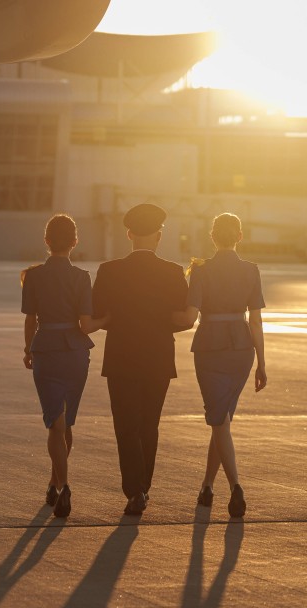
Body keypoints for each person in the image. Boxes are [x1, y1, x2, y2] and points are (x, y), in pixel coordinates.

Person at [92, 203, 190, 515]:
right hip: (158, 357)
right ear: (159, 236)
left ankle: (134, 490)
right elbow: (182, 318)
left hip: (121, 356)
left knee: (125, 425)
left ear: (130, 234)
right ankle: (143, 488)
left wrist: (115, 319)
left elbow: (98, 315)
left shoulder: (109, 270)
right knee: (150, 424)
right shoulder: (173, 272)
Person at [175, 212, 268, 517]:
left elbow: (190, 316)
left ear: (212, 237)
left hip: (211, 347)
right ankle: (206, 486)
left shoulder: (202, 270)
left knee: (219, 419)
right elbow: (255, 320)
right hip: (242, 349)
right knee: (222, 419)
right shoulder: (251, 270)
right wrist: (262, 363)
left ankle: (236, 487)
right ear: (240, 237)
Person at [21, 214, 103, 518]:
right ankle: (55, 484)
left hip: (47, 349)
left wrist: (28, 349)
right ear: (75, 242)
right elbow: (87, 323)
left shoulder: (33, 276)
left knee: (55, 422)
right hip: (76, 353)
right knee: (65, 423)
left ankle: (62, 485)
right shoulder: (82, 277)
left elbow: (30, 318)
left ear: (46, 242)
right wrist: (109, 319)